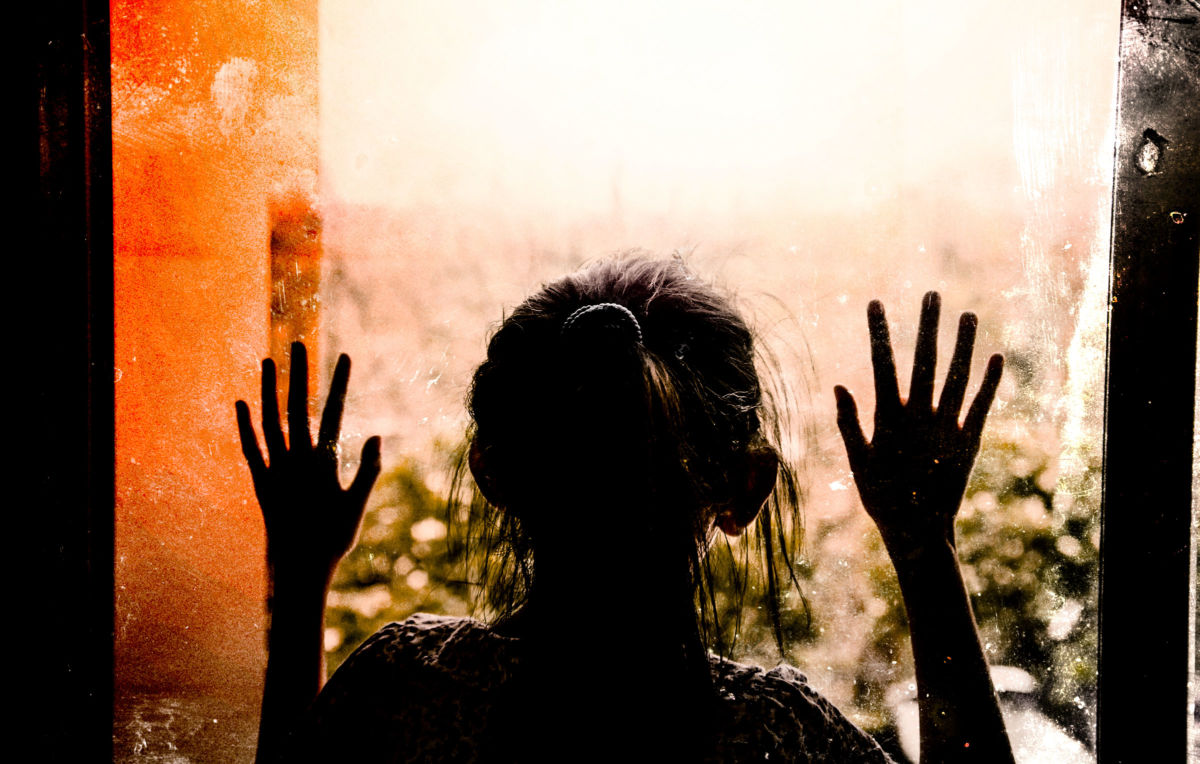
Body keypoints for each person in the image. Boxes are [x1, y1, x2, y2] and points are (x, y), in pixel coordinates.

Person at [236, 257, 1015, 762]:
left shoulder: (404, 686)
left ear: (492, 473)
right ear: (747, 490)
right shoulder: (780, 739)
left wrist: (302, 580)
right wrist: (923, 548)